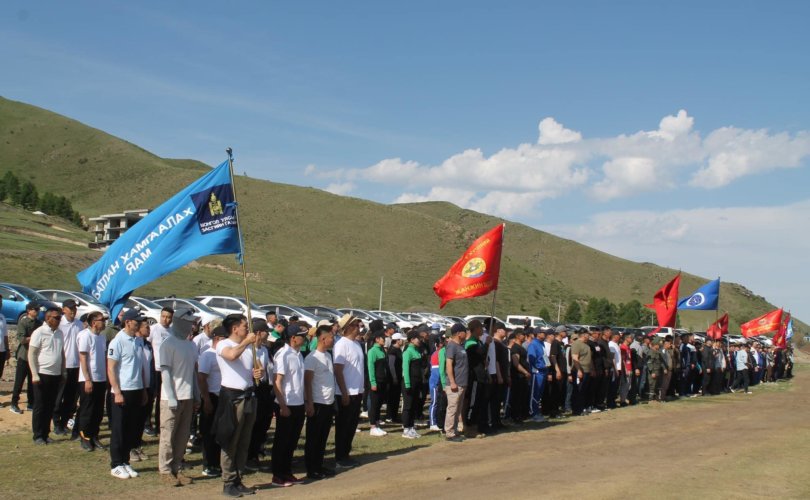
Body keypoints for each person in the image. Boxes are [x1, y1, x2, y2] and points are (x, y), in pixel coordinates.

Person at [213, 314, 261, 498]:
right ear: (234, 329)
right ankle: (228, 481)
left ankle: (238, 478)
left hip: (248, 396)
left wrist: (259, 372)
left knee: (244, 441)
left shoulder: (248, 349)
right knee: (230, 441)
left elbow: (254, 370)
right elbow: (232, 356)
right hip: (233, 398)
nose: (247, 330)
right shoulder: (224, 345)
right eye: (244, 326)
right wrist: (246, 343)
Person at [158, 309, 200, 487]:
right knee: (168, 435)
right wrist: (172, 396)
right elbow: (165, 371)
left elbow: (193, 372)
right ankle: (165, 470)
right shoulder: (168, 344)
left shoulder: (191, 345)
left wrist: (196, 394)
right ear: (180, 322)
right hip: (171, 398)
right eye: (190, 322)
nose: (192, 325)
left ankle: (177, 467)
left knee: (182, 437)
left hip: (188, 397)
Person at [107, 308, 148, 479]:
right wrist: (117, 391)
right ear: (127, 322)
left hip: (136, 389)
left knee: (131, 428)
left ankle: (125, 461)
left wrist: (144, 389)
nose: (138, 323)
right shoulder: (117, 342)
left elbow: (140, 368)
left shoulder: (138, 341)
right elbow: (111, 368)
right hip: (122, 390)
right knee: (119, 428)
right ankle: (116, 463)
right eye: (136, 320)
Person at [271, 324, 307, 487]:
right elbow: (277, 381)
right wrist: (283, 406)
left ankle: (286, 471)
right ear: (293, 338)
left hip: (298, 403)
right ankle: (277, 474)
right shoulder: (283, 354)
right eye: (302, 336)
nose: (305, 339)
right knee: (282, 441)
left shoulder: (298, 354)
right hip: (287, 404)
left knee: (292, 440)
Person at [304, 323, 337, 480]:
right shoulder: (312, 358)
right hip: (317, 402)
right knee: (314, 437)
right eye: (331, 337)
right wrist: (309, 403)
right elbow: (307, 382)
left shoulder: (328, 355)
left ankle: (319, 464)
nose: (333, 339)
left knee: (323, 436)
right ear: (323, 339)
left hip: (328, 402)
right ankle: (311, 468)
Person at [28, 307, 65, 445]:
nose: (59, 320)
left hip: (55, 374)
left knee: (50, 405)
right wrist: (34, 374)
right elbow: (31, 353)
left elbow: (61, 353)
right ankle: (37, 435)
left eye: (60, 318)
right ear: (48, 318)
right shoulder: (39, 332)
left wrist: (63, 371)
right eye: (56, 318)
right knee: (40, 405)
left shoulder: (60, 333)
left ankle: (45, 433)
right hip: (42, 374)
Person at [333, 314, 365, 468]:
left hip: (357, 391)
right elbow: (338, 370)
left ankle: (346, 454)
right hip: (345, 392)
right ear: (349, 327)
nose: (359, 326)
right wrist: (344, 392)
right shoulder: (341, 344)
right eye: (356, 324)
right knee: (343, 426)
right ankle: (340, 457)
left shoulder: (357, 344)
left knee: (351, 425)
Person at [247, 319, 275, 471]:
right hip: (254, 389)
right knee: (254, 423)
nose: (267, 335)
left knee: (264, 422)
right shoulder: (249, 350)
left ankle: (257, 451)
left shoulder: (265, 350)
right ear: (258, 333)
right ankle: (249, 456)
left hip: (266, 389)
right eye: (265, 332)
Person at [77, 311, 108, 451]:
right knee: (87, 410)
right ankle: (85, 437)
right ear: (94, 322)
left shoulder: (101, 337)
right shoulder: (85, 336)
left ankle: (95, 436)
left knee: (98, 410)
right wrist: (87, 379)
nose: (104, 322)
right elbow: (83, 358)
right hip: (89, 378)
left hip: (101, 378)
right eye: (102, 320)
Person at [198, 324, 225, 478]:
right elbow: (202, 378)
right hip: (211, 396)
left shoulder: (223, 354)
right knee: (209, 432)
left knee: (219, 433)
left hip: (223, 396)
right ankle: (208, 464)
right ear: (217, 338)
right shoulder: (208, 355)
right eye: (223, 338)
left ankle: (216, 463)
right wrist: (206, 399)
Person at [53, 299, 83, 436]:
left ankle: (65, 422)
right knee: (59, 396)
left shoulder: (79, 325)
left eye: (75, 308)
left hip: (76, 365)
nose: (73, 311)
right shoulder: (59, 324)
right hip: (63, 365)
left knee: (71, 397)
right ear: (63, 309)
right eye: (70, 308)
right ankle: (56, 423)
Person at [10, 302, 39, 414]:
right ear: (29, 310)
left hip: (34, 357)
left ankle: (31, 403)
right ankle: (14, 403)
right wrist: (34, 338)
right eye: (35, 309)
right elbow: (22, 339)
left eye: (37, 310)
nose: (37, 311)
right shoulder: (23, 322)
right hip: (24, 356)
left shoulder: (39, 323)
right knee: (19, 381)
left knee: (32, 381)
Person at [148, 307, 173, 431]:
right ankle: (148, 423)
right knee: (152, 396)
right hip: (155, 368)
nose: (165, 319)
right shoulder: (154, 329)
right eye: (163, 316)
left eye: (168, 317)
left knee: (163, 397)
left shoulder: (173, 331)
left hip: (167, 370)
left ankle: (160, 423)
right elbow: (147, 346)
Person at [464, 320, 490, 436]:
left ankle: (478, 425)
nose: (483, 330)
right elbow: (477, 353)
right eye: (481, 328)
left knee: (480, 403)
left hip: (481, 376)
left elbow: (482, 356)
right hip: (474, 377)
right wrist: (487, 344)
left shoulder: (478, 341)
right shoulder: (470, 343)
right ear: (475, 329)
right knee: (473, 403)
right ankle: (469, 426)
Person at [443, 323, 468, 442]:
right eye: (464, 331)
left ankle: (455, 430)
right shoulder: (451, 346)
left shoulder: (461, 346)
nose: (466, 333)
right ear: (458, 333)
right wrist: (452, 382)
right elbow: (449, 364)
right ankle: (449, 432)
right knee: (452, 408)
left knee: (458, 409)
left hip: (462, 383)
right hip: (455, 384)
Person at [401, 330, 424, 439]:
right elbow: (405, 369)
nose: (419, 340)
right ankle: (406, 429)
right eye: (417, 338)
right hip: (409, 382)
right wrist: (407, 384)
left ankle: (411, 427)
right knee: (408, 406)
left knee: (414, 405)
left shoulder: (417, 351)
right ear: (411, 340)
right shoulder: (408, 352)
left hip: (417, 382)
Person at [366, 331, 388, 436]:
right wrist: (373, 382)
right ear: (377, 339)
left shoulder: (382, 350)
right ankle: (373, 426)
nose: (384, 339)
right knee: (374, 404)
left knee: (379, 404)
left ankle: (377, 425)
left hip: (383, 381)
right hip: (376, 382)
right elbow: (371, 368)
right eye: (382, 338)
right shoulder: (372, 351)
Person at [527, 327, 548, 422]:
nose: (544, 333)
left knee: (539, 393)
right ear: (537, 334)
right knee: (535, 392)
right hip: (537, 372)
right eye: (542, 332)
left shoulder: (542, 343)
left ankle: (537, 412)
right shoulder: (533, 344)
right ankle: (533, 413)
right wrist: (536, 368)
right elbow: (531, 358)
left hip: (544, 370)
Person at [428, 333, 447, 432]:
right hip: (435, 382)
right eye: (441, 343)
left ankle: (434, 421)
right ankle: (432, 422)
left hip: (437, 381)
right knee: (434, 402)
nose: (443, 344)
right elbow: (437, 371)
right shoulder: (438, 354)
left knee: (437, 402)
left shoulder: (439, 353)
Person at [386, 332, 405, 423]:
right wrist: (394, 377)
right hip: (393, 378)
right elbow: (391, 365)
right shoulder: (392, 350)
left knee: (396, 397)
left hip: (398, 377)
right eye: (401, 340)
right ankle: (389, 416)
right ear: (397, 341)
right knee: (392, 397)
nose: (402, 341)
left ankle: (394, 415)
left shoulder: (399, 350)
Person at [0, 295, 8, 395]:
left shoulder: (2, 317)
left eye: (1, 302)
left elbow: (5, 334)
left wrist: (7, 349)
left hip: (2, 350)